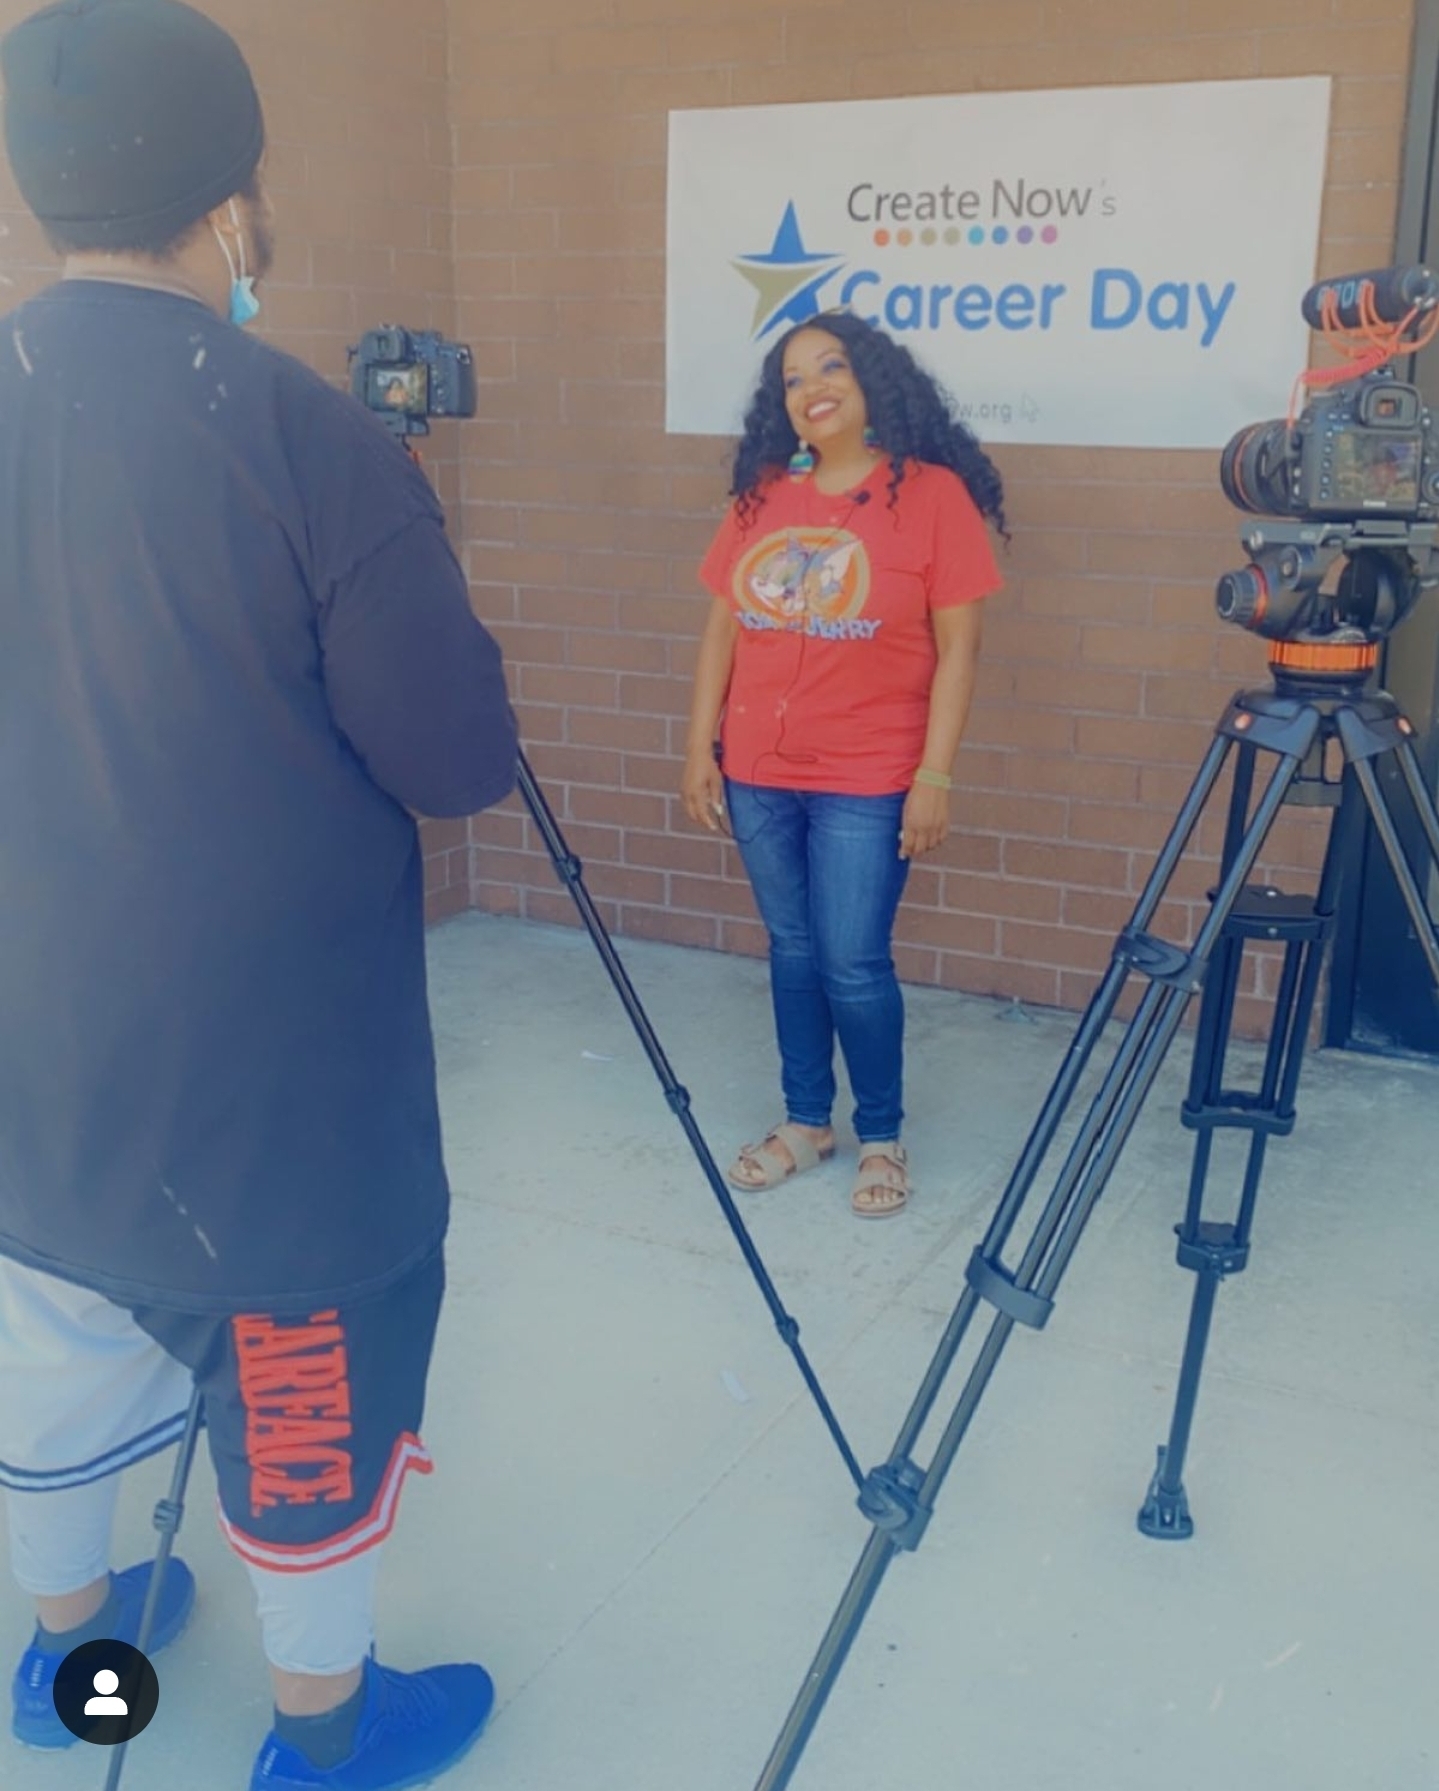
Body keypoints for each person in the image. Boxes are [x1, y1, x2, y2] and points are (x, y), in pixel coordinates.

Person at [0, 4, 518, 1788]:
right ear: (234, 199)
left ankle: (72, 1661)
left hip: (30, 1052)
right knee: (300, 1382)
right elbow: (455, 755)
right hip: (270, 1094)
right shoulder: (306, 436)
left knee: (52, 1332)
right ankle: (324, 1732)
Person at [682, 312, 1007, 1219]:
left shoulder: (932, 496)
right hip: (757, 766)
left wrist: (934, 776)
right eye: (791, 378)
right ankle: (804, 1122)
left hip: (869, 773)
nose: (810, 389)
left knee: (853, 960)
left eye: (829, 368)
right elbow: (720, 630)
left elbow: (960, 649)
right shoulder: (760, 496)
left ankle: (882, 1134)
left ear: (871, 381)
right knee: (792, 951)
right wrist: (698, 746)